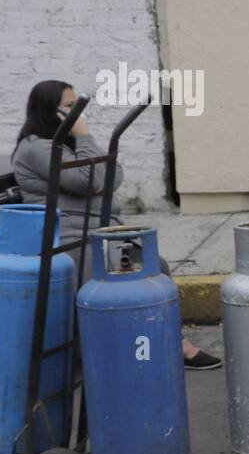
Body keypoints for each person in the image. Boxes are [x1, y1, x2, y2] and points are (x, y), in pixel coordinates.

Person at [12, 80, 221, 370]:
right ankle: (113, 356)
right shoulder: (37, 147)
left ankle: (171, 342)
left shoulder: (70, 143)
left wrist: (88, 155)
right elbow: (94, 180)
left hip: (101, 233)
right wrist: (86, 143)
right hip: (70, 240)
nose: (79, 115)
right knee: (108, 280)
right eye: (71, 107)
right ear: (51, 111)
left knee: (155, 267)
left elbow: (114, 173)